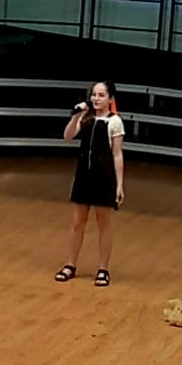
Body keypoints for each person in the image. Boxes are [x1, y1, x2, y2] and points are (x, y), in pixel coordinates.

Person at [54, 80, 125, 287]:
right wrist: (76, 115)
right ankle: (70, 264)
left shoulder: (115, 122)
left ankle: (103, 268)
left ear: (110, 99)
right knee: (78, 222)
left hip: (104, 178)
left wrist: (119, 184)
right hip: (84, 176)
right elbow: (68, 136)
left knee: (103, 223)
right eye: (94, 94)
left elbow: (117, 154)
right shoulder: (86, 118)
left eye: (101, 95)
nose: (96, 98)